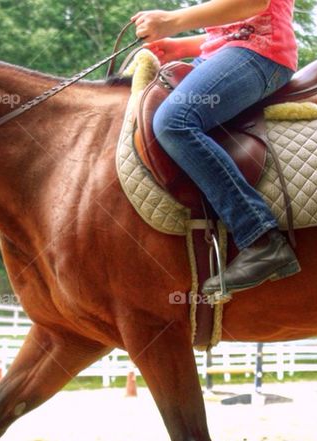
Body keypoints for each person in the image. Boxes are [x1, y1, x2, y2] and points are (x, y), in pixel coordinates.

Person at [131, 0, 300, 299]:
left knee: (174, 121)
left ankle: (261, 239)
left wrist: (172, 20)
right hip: (225, 53)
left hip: (262, 53)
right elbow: (232, 28)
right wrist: (181, 47)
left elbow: (255, 4)